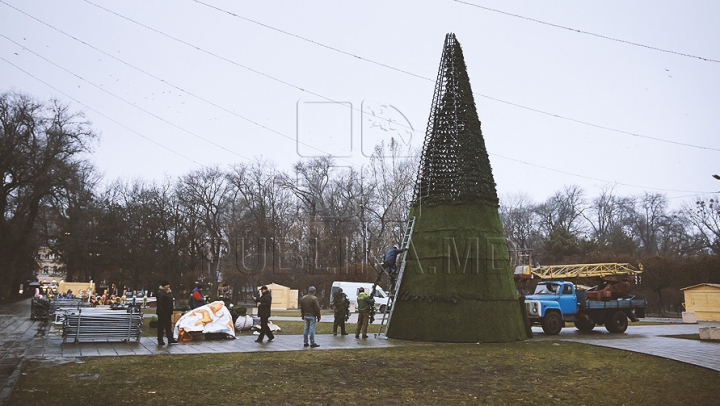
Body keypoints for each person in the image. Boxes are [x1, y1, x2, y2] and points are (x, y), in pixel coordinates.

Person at [155, 281, 178, 346]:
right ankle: (160, 340)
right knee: (161, 326)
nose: (168, 286)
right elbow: (160, 304)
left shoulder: (168, 292)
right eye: (166, 285)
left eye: (168, 285)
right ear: (163, 286)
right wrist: (163, 312)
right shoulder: (160, 293)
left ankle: (170, 338)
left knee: (168, 326)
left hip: (168, 312)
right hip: (162, 312)